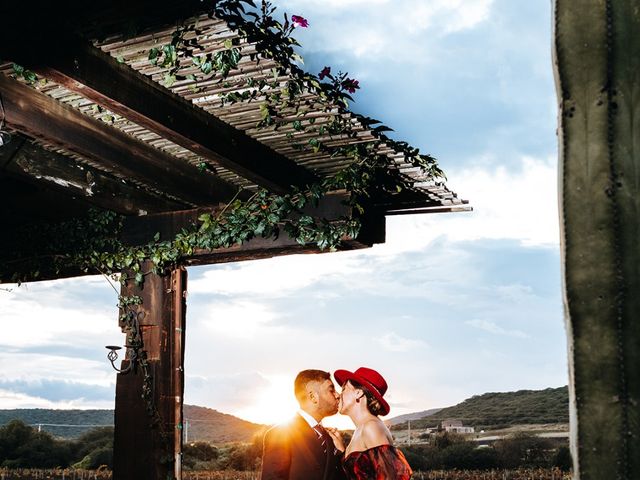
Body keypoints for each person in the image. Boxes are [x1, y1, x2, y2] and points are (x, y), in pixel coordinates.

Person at [327, 367, 412, 480]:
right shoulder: (362, 428)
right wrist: (342, 448)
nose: (338, 395)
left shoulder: (371, 427)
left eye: (344, 389)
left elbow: (390, 477)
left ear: (358, 393)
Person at [260, 369, 346, 480]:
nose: (338, 395)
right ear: (313, 397)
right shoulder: (280, 434)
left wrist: (341, 453)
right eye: (331, 390)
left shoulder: (331, 437)